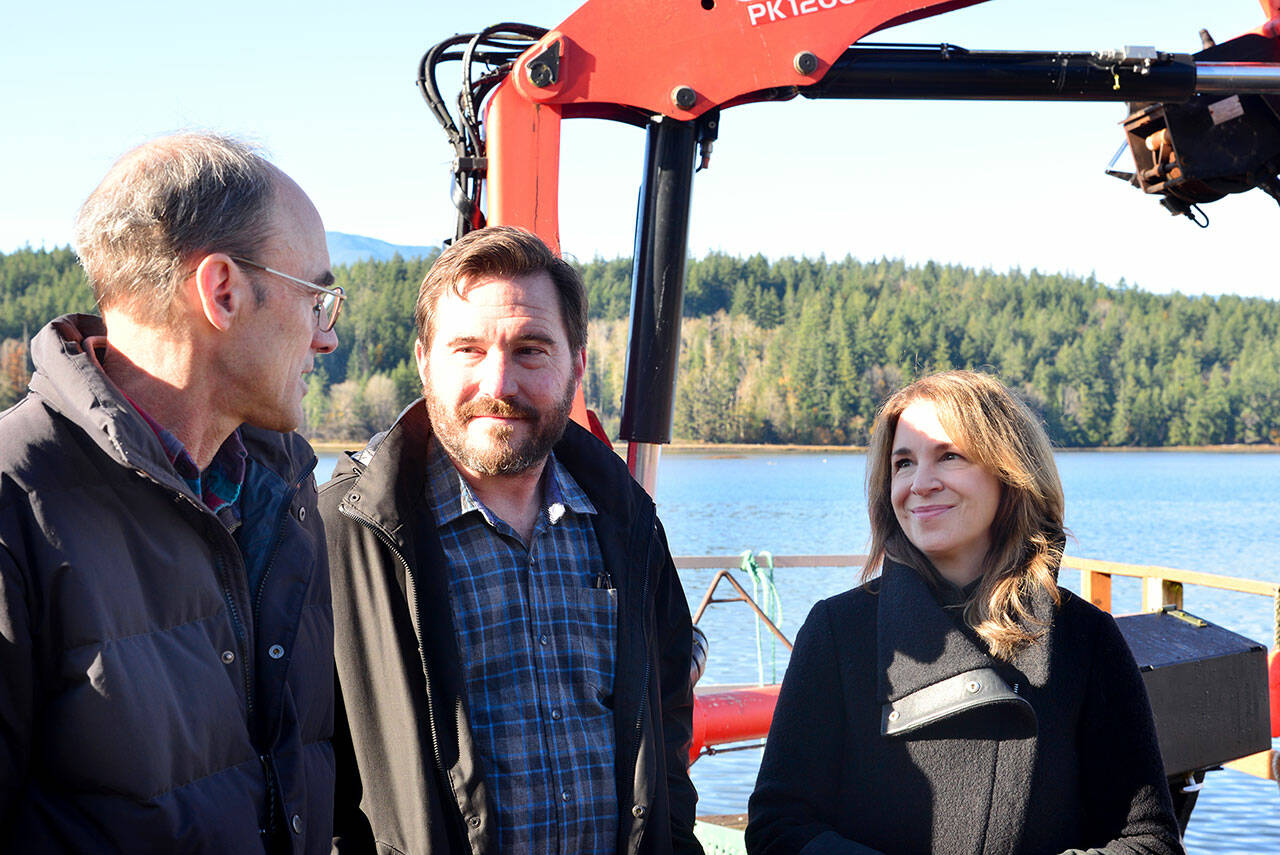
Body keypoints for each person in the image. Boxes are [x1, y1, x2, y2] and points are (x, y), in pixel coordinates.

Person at [0, 133, 342, 853]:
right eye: (318, 299)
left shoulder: (284, 491)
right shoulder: (14, 500)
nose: (325, 338)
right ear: (222, 291)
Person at [320, 225, 702, 855]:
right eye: (467, 350)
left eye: (531, 350)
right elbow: (309, 771)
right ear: (424, 361)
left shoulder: (628, 525)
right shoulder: (344, 538)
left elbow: (666, 715)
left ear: (576, 365)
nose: (498, 385)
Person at [746, 370, 1183, 855]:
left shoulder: (1083, 638)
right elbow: (777, 827)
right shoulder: (838, 630)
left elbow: (1150, 840)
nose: (920, 484)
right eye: (904, 463)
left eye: (949, 456)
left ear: (1009, 472)